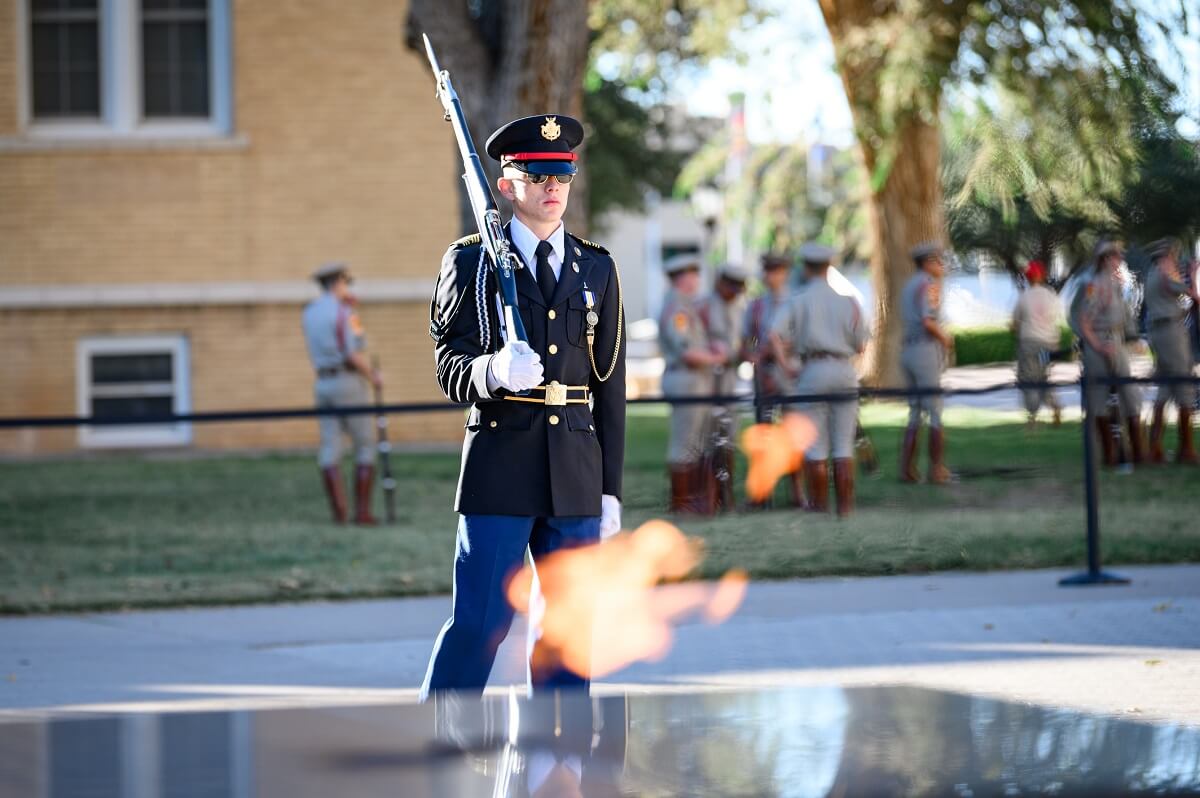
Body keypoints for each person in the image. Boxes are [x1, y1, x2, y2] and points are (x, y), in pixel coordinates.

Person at [421, 114, 626, 698]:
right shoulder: (470, 264)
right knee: (482, 625)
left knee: (569, 630)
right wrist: (491, 371)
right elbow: (448, 369)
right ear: (507, 184)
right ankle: (438, 744)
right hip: (501, 465)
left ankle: (560, 761)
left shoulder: (596, 266)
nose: (551, 187)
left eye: (561, 173)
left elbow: (609, 384)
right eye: (536, 176)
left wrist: (609, 487)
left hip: (575, 471)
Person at [771, 243, 870, 516]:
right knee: (843, 444)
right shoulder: (849, 301)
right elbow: (862, 345)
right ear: (829, 266)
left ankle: (819, 505)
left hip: (812, 368)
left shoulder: (797, 300)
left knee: (815, 446)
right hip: (843, 369)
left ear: (805, 267)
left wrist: (785, 366)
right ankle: (845, 508)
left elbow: (774, 334)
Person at [301, 262, 381, 525]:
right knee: (365, 444)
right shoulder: (344, 311)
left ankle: (339, 513)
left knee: (330, 446)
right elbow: (351, 352)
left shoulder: (310, 312)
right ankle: (362, 512)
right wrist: (373, 376)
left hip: (322, 382)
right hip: (347, 381)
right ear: (338, 283)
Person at [741, 253, 806, 507]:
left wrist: (777, 348)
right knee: (763, 435)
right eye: (767, 270)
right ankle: (761, 492)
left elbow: (803, 337)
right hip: (765, 374)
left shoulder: (797, 302)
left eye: (776, 270)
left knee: (794, 433)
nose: (770, 275)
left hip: (791, 372)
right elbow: (745, 340)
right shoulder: (756, 305)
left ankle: (798, 491)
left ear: (786, 272)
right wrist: (753, 355)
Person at [659, 254, 722, 513]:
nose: (696, 280)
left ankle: (692, 500)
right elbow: (687, 351)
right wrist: (717, 356)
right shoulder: (678, 308)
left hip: (691, 378)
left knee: (694, 442)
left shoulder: (684, 305)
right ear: (682, 277)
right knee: (684, 443)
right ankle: (682, 502)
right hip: (686, 377)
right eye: (693, 275)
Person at [1078, 239, 1144, 467]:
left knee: (1130, 396)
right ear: (1106, 259)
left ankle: (1138, 453)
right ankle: (1111, 455)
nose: (1120, 260)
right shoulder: (1095, 285)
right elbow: (1084, 322)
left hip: (1116, 341)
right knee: (1099, 401)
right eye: (1116, 256)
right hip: (1100, 343)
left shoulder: (1116, 284)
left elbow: (1125, 317)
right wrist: (1099, 346)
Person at [899, 242, 954, 484]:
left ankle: (908, 469)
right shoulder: (928, 284)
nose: (942, 266)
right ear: (928, 262)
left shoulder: (909, 284)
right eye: (939, 261)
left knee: (914, 413)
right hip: (924, 350)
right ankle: (936, 469)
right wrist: (947, 340)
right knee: (934, 413)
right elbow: (928, 321)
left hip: (908, 350)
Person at [1143, 238, 1199, 464]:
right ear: (1166, 256)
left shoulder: (1150, 275)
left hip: (1159, 333)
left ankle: (1154, 446)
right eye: (1173, 256)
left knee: (1165, 389)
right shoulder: (1165, 274)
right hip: (1172, 334)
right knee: (1184, 385)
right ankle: (1186, 448)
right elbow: (1190, 293)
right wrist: (1193, 274)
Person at [698, 264, 748, 510]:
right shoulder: (705, 305)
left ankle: (727, 494)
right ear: (721, 283)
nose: (735, 292)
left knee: (728, 437)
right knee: (708, 438)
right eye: (731, 287)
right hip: (708, 378)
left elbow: (742, 341)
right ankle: (708, 495)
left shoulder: (739, 307)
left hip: (729, 377)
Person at [1010, 260, 1064, 429]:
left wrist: (1015, 331)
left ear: (1028, 277)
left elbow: (1015, 323)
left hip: (1029, 344)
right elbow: (1055, 318)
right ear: (1041, 276)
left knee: (1028, 379)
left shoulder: (1024, 296)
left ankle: (1032, 418)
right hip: (1050, 344)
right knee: (1043, 377)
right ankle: (1054, 405)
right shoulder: (1051, 295)